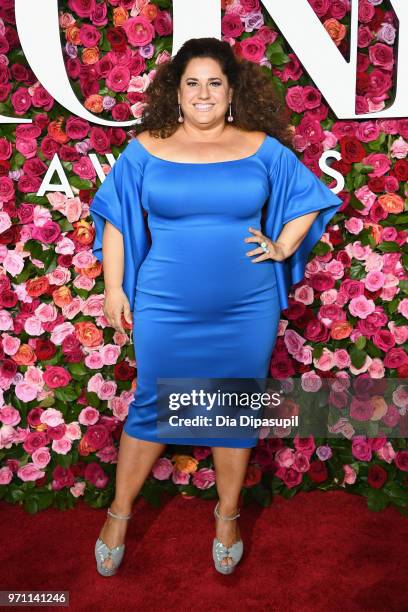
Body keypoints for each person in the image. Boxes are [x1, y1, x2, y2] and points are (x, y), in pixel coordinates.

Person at [89, 37, 343, 577]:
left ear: (231, 91)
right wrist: (114, 289)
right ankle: (118, 514)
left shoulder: (260, 146)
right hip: (164, 303)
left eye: (214, 83)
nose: (203, 93)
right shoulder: (144, 149)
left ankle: (227, 516)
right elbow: (115, 220)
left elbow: (308, 198)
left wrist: (282, 246)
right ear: (176, 93)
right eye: (192, 83)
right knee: (151, 407)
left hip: (245, 306)